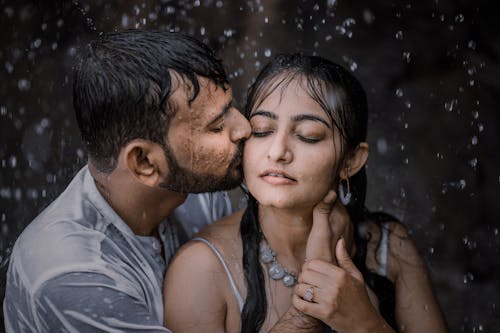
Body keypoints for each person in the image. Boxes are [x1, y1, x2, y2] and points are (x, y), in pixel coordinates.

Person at [163, 54, 448, 332]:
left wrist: (365, 323)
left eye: (308, 135)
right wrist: (307, 308)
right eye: (262, 130)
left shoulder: (388, 248)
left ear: (351, 161)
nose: (277, 152)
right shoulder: (201, 270)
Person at [3, 30, 251, 332]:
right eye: (216, 126)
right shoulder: (71, 274)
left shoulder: (195, 186)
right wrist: (304, 316)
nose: (244, 127)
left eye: (232, 106)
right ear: (144, 162)